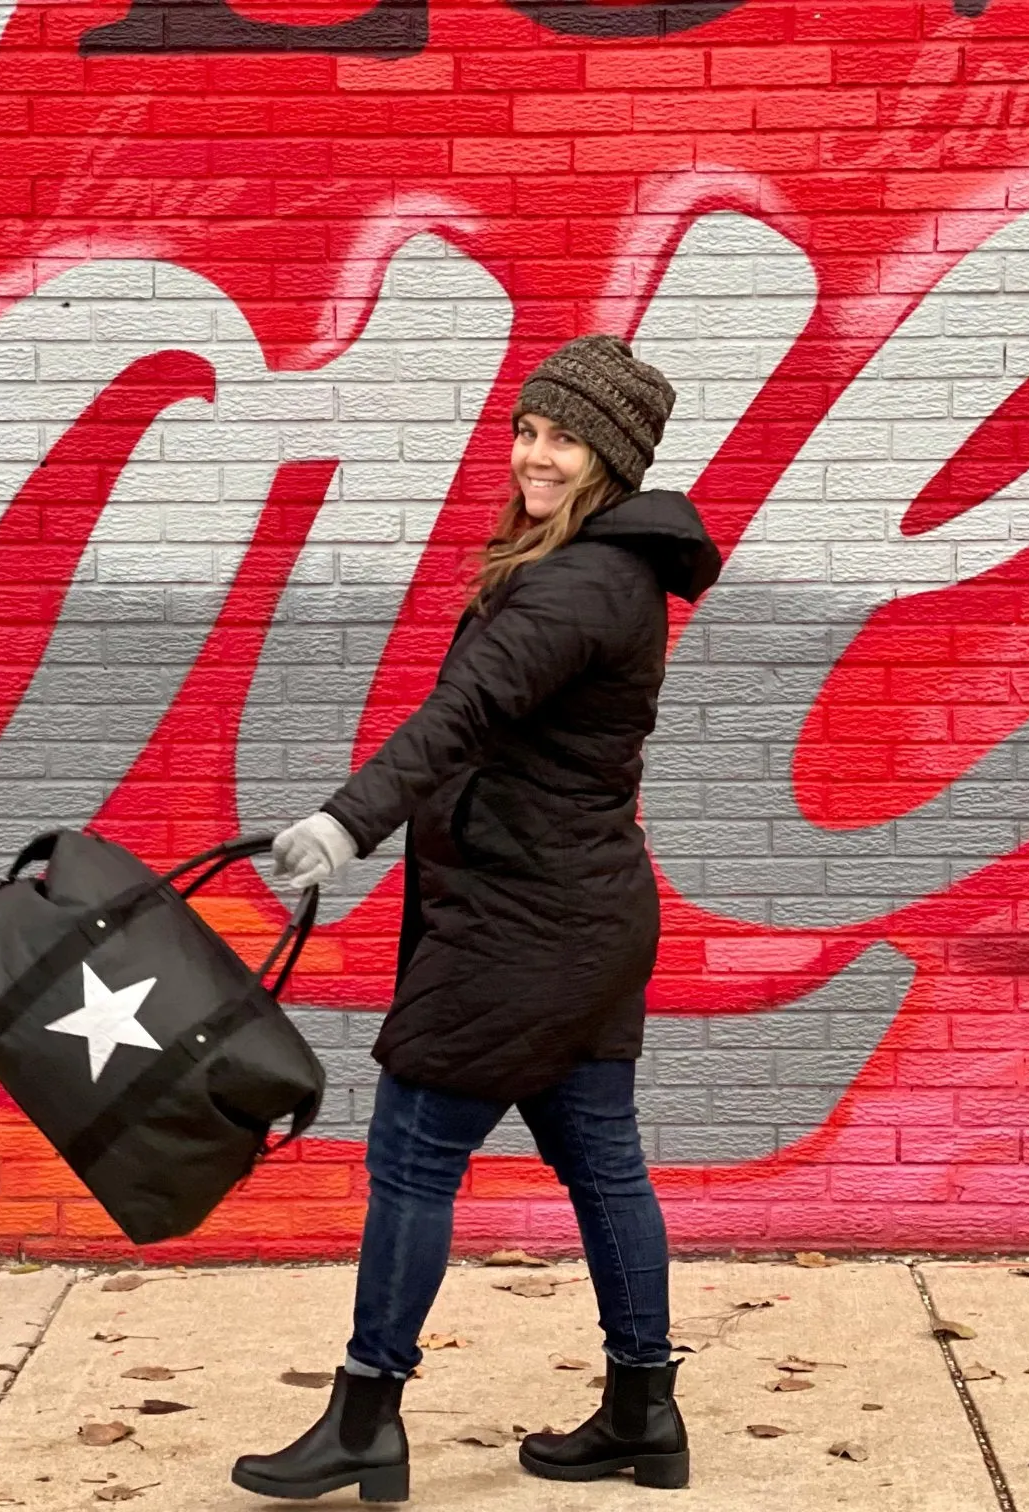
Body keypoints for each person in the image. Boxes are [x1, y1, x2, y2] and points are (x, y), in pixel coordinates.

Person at [230, 335, 723, 1502]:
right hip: (579, 917)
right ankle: (644, 1413)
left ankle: (365, 1415)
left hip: (525, 929)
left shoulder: (583, 585)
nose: (536, 457)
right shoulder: (602, 572)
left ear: (613, 460)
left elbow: (461, 714)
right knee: (604, 1165)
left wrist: (345, 824)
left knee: (412, 1153)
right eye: (530, 430)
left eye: (566, 439)